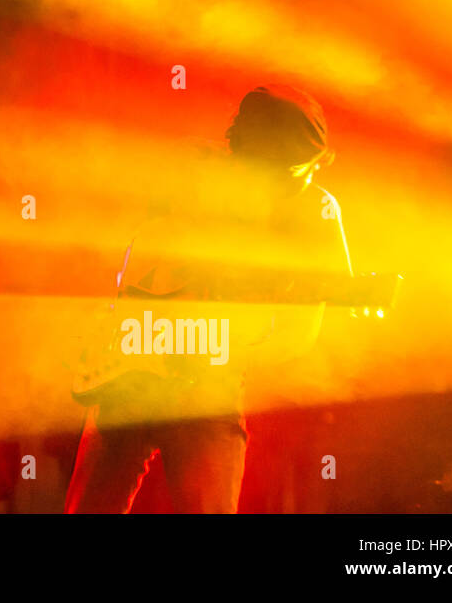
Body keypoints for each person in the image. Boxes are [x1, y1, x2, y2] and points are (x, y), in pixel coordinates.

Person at [64, 85, 353, 513]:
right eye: (274, 168)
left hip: (208, 392)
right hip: (128, 376)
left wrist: (217, 353)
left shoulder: (318, 213)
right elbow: (134, 241)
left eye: (297, 171)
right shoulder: (194, 169)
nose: (291, 182)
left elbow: (299, 334)